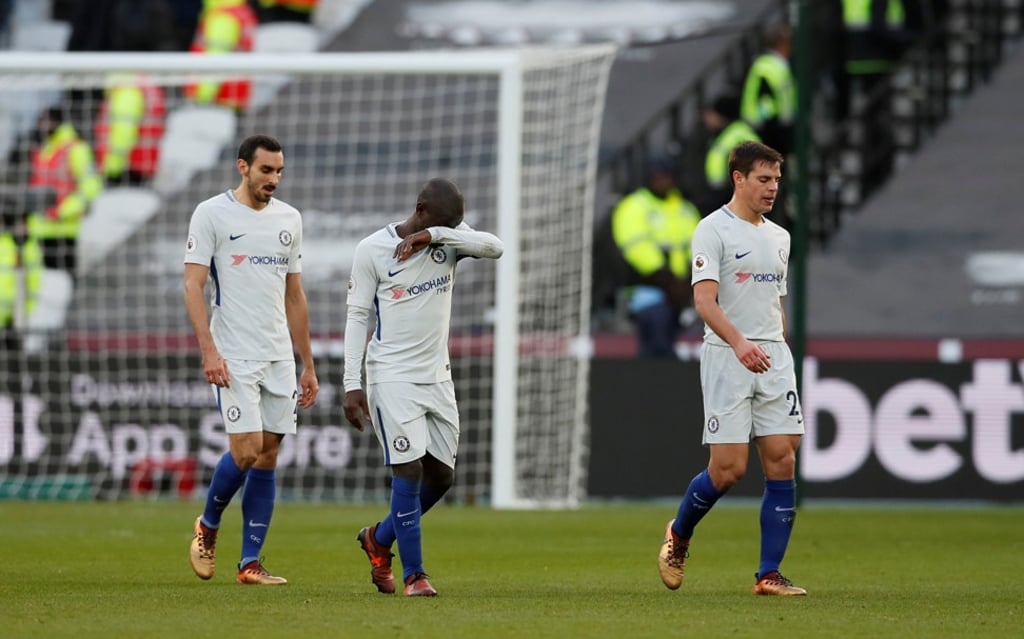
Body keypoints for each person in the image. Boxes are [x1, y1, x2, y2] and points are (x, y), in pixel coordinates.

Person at [657, 141, 806, 596]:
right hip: (728, 355)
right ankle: (679, 535)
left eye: (777, 180)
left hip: (772, 357)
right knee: (728, 470)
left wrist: (775, 343)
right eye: (763, 179)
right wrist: (740, 343)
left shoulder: (780, 236)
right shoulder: (712, 230)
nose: (772, 188)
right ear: (738, 178)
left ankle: (768, 574)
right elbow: (705, 301)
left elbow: (775, 301)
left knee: (782, 458)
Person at [343, 178, 503, 597]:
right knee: (409, 469)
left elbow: (495, 246)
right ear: (420, 207)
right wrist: (350, 382)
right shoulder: (371, 250)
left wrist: (436, 234)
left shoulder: (447, 238)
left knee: (442, 478)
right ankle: (415, 575)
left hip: (437, 376)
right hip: (391, 375)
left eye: (457, 226)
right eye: (445, 223)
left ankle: (379, 538)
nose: (456, 231)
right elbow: (358, 316)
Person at [184, 134, 319, 586]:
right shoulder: (212, 214)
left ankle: (250, 564)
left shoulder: (290, 220)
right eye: (266, 171)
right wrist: (209, 350)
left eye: (279, 172)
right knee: (245, 451)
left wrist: (308, 363)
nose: (274, 180)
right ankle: (207, 525)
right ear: (243, 167)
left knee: (269, 455)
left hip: (278, 354)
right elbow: (192, 286)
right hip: (234, 354)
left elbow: (294, 295)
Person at [610, 154, 701, 358]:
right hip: (647, 289)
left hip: (683, 291)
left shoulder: (685, 209)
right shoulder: (635, 205)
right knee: (657, 340)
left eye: (667, 176)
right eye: (659, 176)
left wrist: (689, 279)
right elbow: (636, 247)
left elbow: (699, 246)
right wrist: (666, 280)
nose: (663, 181)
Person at [27, 107, 104, 274]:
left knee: (64, 282)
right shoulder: (45, 148)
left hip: (64, 231)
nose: (42, 126)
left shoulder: (77, 149)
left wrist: (63, 211)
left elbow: (91, 187)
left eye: (47, 121)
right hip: (39, 229)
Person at [184, 0, 258, 111]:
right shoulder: (243, 11)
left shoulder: (223, 16)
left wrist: (202, 99)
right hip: (236, 97)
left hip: (217, 100)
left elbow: (215, 62)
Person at [93, 74, 167, 185]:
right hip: (143, 166)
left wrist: (112, 169)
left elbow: (123, 133)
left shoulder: (127, 92)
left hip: (126, 170)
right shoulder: (145, 87)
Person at [740, 24, 796, 157]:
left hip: (774, 125)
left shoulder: (777, 64)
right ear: (781, 44)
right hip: (767, 127)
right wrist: (774, 121)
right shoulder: (767, 66)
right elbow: (765, 100)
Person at [702, 94, 761, 214]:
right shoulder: (726, 134)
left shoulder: (739, 135)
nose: (706, 118)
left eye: (711, 114)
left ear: (721, 116)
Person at [0, 201, 43, 354]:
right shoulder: (4, 243)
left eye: (23, 222)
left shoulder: (31, 248)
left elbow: (34, 281)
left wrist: (28, 310)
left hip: (15, 315)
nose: (21, 227)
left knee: (13, 356)